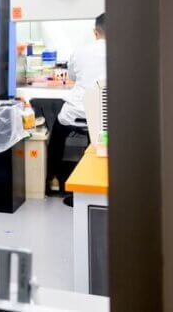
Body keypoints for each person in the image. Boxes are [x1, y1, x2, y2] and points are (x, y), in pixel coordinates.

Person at [47, 13, 106, 205]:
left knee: (56, 133)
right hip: (101, 117)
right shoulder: (123, 51)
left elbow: (71, 75)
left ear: (95, 32)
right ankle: (94, 183)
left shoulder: (81, 51)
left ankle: (51, 178)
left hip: (74, 113)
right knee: (97, 137)